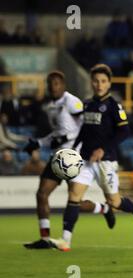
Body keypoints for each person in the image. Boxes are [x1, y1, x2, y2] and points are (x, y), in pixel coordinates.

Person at [48, 64, 133, 251]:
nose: (99, 84)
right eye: (95, 81)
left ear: (109, 83)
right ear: (91, 83)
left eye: (103, 81)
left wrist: (103, 149)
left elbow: (125, 131)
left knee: (115, 202)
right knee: (74, 195)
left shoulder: (113, 106)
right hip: (85, 159)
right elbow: (83, 131)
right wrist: (74, 150)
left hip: (106, 161)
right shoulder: (86, 104)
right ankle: (65, 240)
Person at [22, 71, 111, 249]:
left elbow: (84, 124)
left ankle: (103, 208)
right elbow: (57, 134)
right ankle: (45, 238)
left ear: (63, 85)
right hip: (57, 157)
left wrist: (65, 138)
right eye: (50, 83)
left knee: (74, 200)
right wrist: (38, 143)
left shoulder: (72, 101)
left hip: (74, 157)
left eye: (56, 83)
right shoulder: (49, 107)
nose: (53, 86)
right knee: (41, 194)